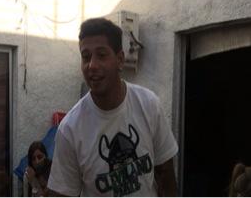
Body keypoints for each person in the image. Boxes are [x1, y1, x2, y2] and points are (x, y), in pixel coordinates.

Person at [47, 18, 178, 197]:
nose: (92, 65)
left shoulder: (148, 105)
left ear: (120, 60)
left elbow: (166, 177)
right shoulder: (70, 129)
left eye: (101, 55)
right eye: (86, 57)